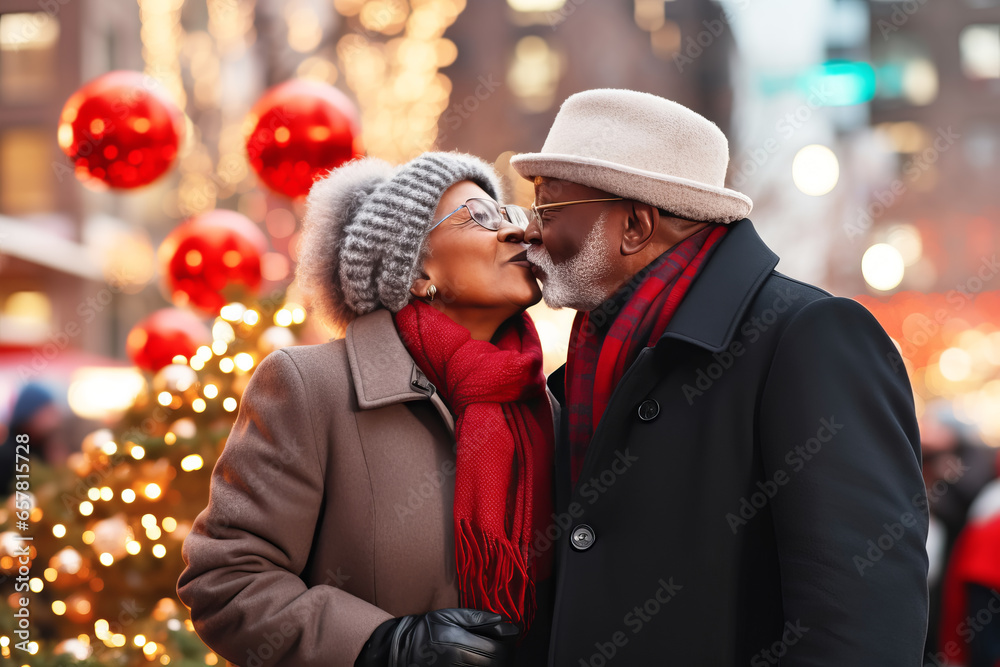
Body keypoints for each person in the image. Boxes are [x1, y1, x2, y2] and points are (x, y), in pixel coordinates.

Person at [509, 88, 929, 665]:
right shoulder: (582, 369)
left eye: (549, 209)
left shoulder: (809, 337)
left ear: (634, 225)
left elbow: (859, 629)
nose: (531, 231)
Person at [176, 152, 557, 667]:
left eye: (511, 215)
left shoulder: (547, 408)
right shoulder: (310, 386)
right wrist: (380, 646)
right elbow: (225, 579)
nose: (518, 233)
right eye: (480, 217)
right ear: (417, 270)